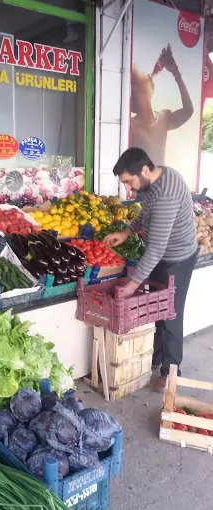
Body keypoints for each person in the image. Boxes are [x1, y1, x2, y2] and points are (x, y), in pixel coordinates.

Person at [104, 148, 198, 392]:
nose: (128, 190)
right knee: (155, 308)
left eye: (129, 182)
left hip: (177, 258)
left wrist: (132, 285)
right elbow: (146, 213)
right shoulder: (155, 180)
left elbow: (155, 249)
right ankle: (154, 358)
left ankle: (171, 371)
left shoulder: (166, 193)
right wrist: (126, 231)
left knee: (170, 313)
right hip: (161, 255)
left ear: (144, 170)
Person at [131, 45, 194, 166]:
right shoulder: (132, 126)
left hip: (161, 184)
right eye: (143, 75)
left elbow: (188, 110)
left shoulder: (163, 118)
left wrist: (176, 72)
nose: (149, 74)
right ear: (138, 92)